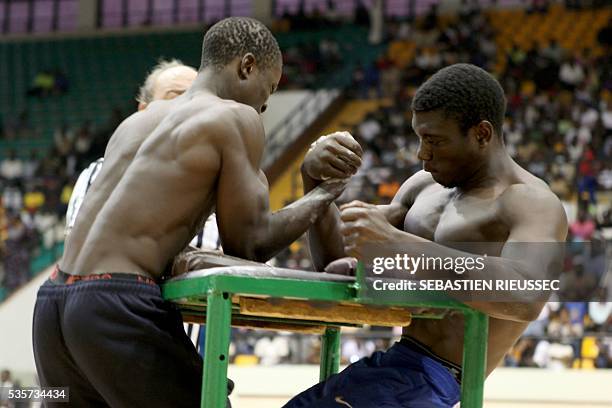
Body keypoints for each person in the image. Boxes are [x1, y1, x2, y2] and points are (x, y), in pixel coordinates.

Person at [33, 17, 362, 408]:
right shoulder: (237, 118)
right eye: (269, 87)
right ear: (247, 66)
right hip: (114, 302)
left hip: (53, 301)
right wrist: (321, 190)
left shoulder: (136, 122)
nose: (266, 102)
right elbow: (251, 243)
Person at [287, 63, 568, 407]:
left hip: (441, 380)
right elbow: (334, 259)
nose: (422, 155)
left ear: (481, 134)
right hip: (396, 363)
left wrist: (396, 244)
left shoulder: (531, 202)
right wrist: (316, 183)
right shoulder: (423, 188)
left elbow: (526, 296)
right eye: (420, 138)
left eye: (435, 141)